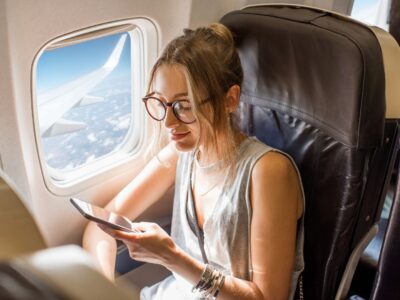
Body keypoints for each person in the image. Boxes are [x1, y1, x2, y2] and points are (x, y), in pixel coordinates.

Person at [83, 23, 305, 300]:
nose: (168, 122)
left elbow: (269, 298)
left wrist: (172, 258)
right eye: (162, 103)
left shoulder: (269, 172)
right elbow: (99, 225)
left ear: (230, 99)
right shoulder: (181, 156)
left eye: (184, 105)